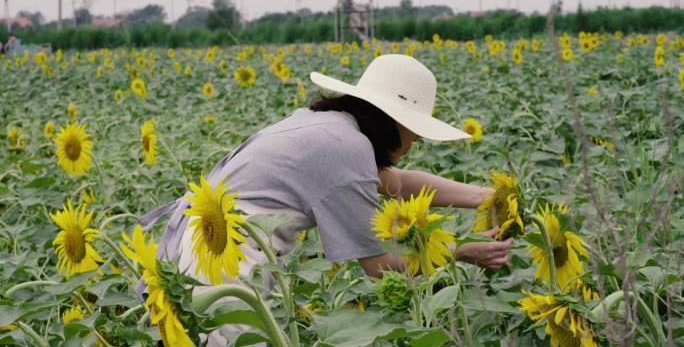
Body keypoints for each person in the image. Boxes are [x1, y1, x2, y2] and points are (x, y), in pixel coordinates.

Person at [140, 54, 512, 344]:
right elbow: (378, 268)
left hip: (194, 249)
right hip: (223, 265)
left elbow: (394, 182)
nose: (415, 142)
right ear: (391, 119)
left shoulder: (330, 128)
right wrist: (460, 252)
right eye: (414, 132)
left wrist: (484, 197)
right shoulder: (347, 147)